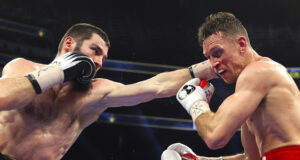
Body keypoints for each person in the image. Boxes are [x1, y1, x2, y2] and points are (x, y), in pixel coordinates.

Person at [0, 23, 217, 160]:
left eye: (103, 58)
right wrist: (57, 72)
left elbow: (154, 87)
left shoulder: (95, 92)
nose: (99, 62)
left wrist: (207, 68)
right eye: (95, 51)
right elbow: (3, 97)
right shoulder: (23, 67)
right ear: (69, 44)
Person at [162, 12, 300, 160]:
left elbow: (215, 137)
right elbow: (251, 157)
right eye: (209, 57)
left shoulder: (258, 72)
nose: (213, 63)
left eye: (217, 53)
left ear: (241, 44)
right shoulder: (253, 94)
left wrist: (195, 103)